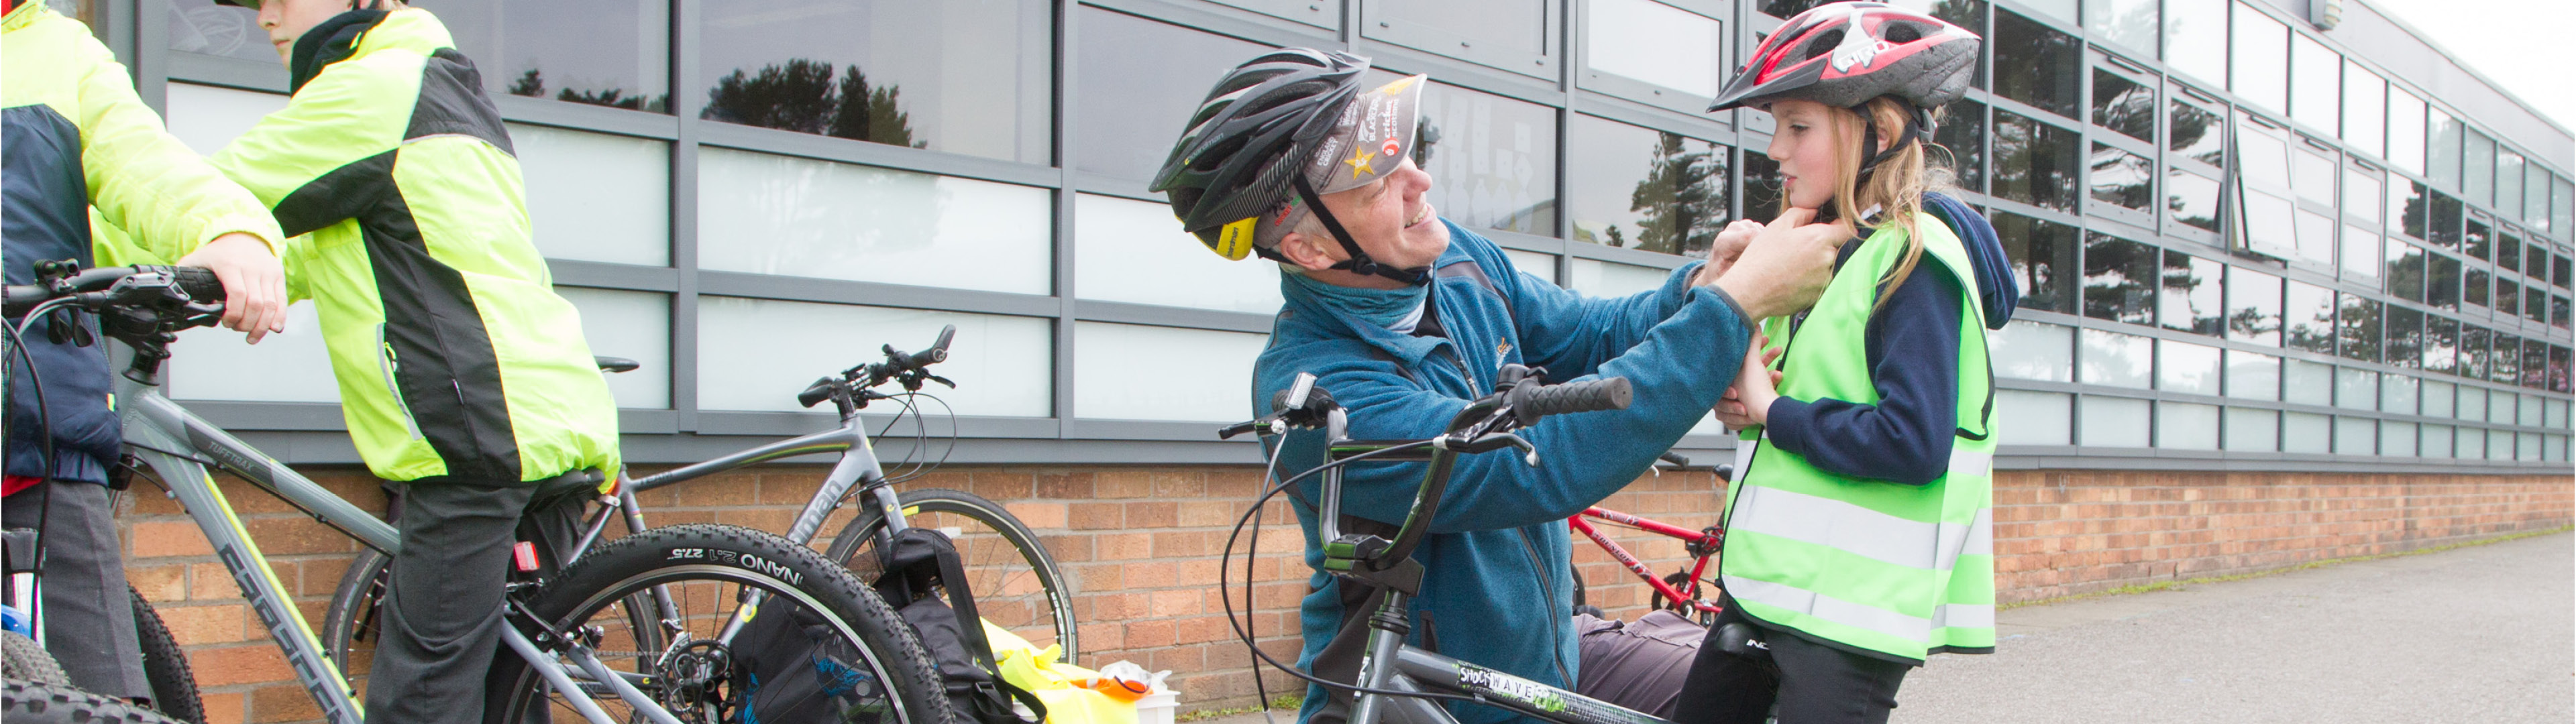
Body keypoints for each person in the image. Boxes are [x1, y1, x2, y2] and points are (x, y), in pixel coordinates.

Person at [1148, 48, 1848, 724]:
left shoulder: (1455, 262)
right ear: (1310, 248)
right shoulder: (1322, 391)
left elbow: (1589, 337)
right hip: (1430, 699)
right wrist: (1732, 312)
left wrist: (1704, 289)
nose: (1419, 182)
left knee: (1761, 693)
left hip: (1552, 661)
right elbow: (1533, 464)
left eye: (1408, 154)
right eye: (1380, 181)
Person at [197, 1, 621, 722]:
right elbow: (327, 254)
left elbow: (204, 197)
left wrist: (72, 266)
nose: (266, 15)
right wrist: (237, 272)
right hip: (546, 418)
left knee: (421, 700)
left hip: (479, 432)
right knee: (503, 692)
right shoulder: (437, 82)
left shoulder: (372, 88)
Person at [1669, 3, 2021, 723]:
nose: (1775, 151)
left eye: (1797, 127)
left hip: (1847, 626)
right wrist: (1751, 406)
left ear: (1879, 132)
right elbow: (1814, 407)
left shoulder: (1913, 263)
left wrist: (1774, 412)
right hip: (1770, 592)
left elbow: (1912, 442)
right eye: (1776, 127)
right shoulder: (1834, 255)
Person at [2, 0, 289, 705]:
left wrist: (230, 230)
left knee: (100, 700)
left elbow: (148, 166)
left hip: (34, 456)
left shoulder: (54, 49)